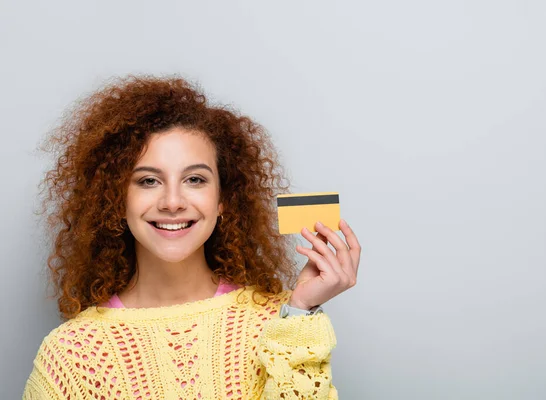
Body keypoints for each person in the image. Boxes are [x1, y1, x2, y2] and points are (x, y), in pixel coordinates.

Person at [22, 74, 361, 399]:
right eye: (148, 181)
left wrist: (300, 312)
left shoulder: (281, 322)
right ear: (115, 199)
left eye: (195, 180)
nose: (172, 202)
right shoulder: (70, 355)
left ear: (222, 200)